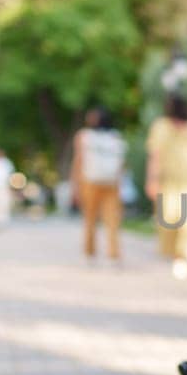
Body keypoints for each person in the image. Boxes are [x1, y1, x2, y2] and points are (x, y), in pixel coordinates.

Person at [146, 93, 187, 279]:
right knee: (170, 219)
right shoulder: (161, 126)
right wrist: (153, 180)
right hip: (170, 182)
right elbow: (156, 156)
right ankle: (179, 258)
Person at [72, 108, 126, 263]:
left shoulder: (84, 136)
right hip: (111, 182)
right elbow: (121, 164)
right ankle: (113, 254)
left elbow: (79, 161)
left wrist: (75, 184)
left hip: (91, 181)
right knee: (112, 220)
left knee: (90, 219)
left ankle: (90, 253)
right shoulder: (116, 137)